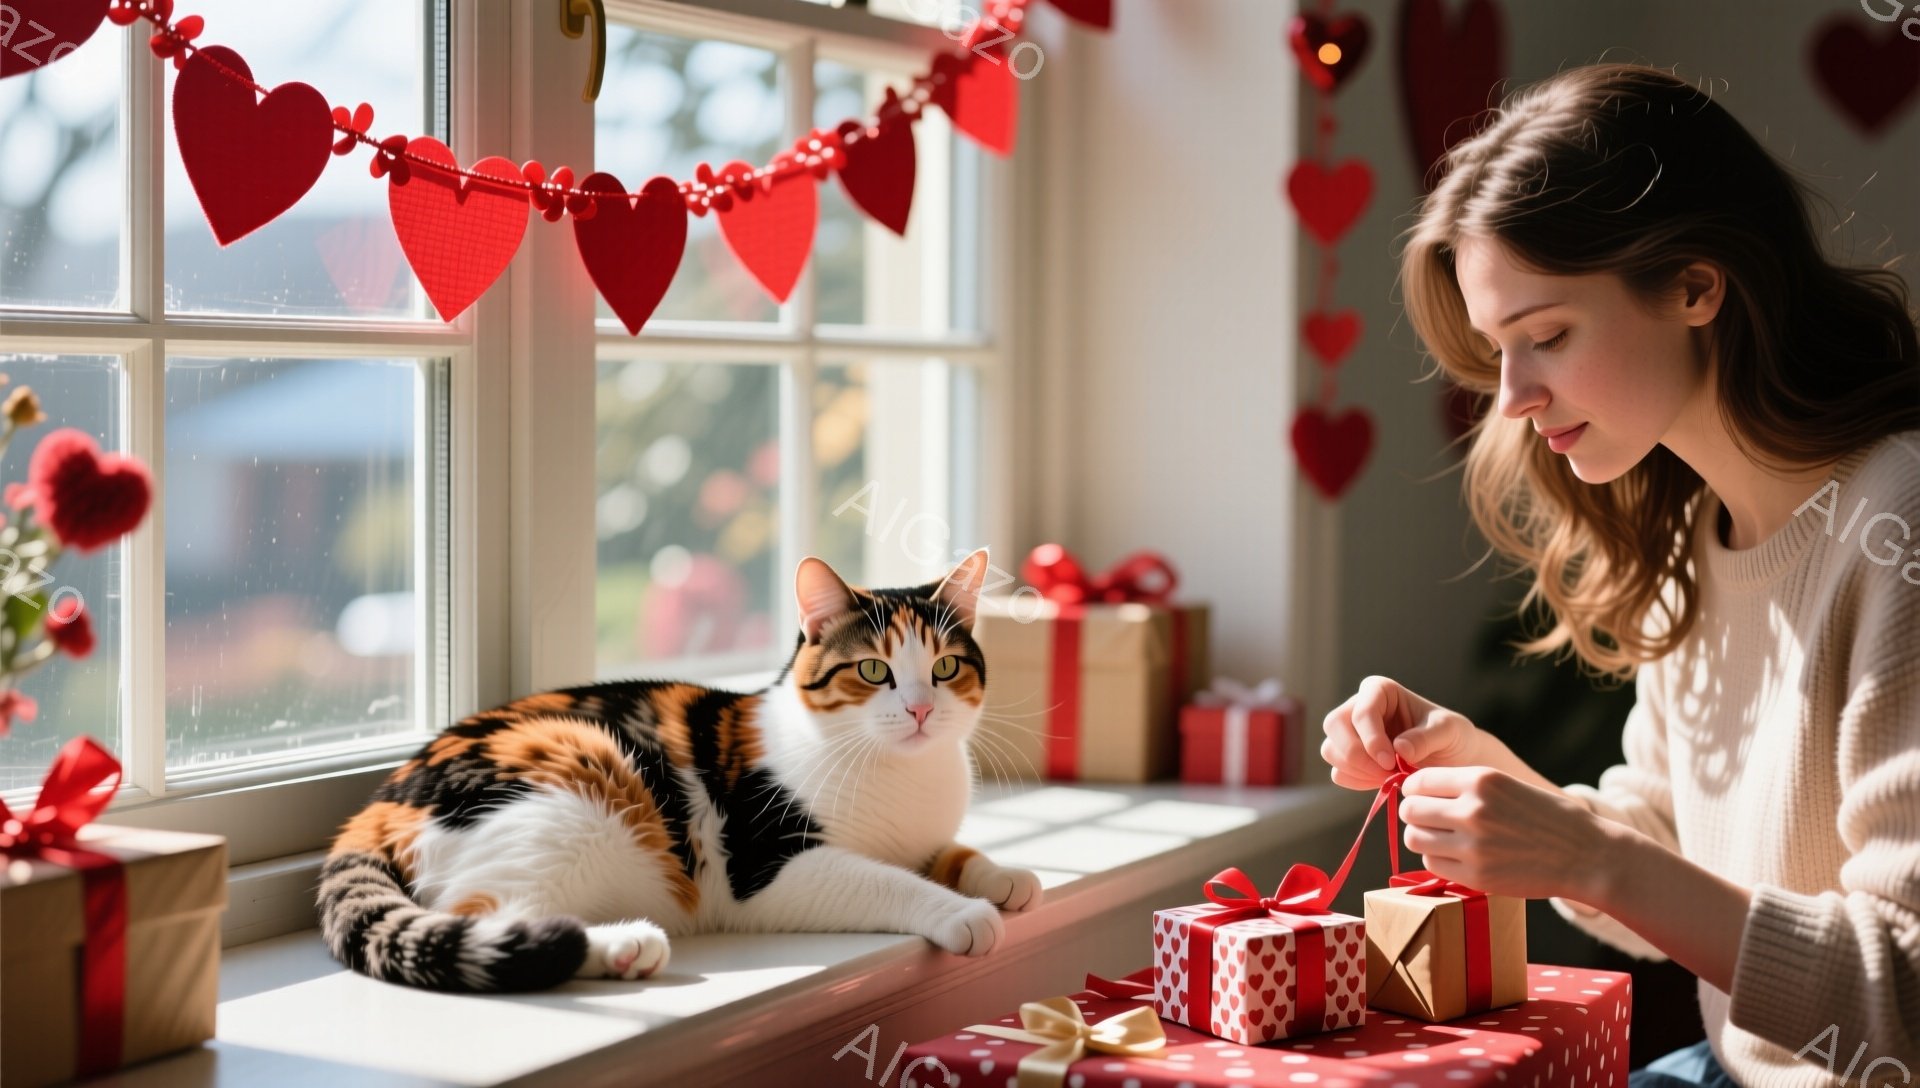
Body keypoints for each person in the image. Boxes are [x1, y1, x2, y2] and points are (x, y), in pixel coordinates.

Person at [1321, 63, 1920, 1088]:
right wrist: (1491, 772)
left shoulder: (1894, 524)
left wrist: (1592, 858)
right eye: (1498, 349)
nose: (1511, 396)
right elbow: (1669, 853)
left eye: (1546, 334)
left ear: (1695, 283)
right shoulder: (1697, 531)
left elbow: (1900, 1000)